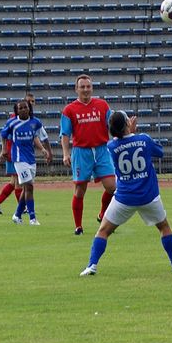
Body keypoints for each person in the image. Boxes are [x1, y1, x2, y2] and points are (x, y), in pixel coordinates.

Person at [80, 111, 172, 276]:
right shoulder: (143, 139)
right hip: (148, 196)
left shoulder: (111, 146)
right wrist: (134, 133)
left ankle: (91, 265)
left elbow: (122, 142)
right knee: (164, 227)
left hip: (124, 197)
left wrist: (128, 132)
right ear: (127, 124)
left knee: (103, 231)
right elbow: (160, 152)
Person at [60, 74, 116, 235]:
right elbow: (65, 134)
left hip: (101, 150)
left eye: (88, 86)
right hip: (81, 152)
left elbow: (112, 126)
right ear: (76, 89)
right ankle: (78, 226)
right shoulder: (69, 110)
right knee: (80, 190)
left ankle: (102, 214)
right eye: (82, 87)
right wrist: (65, 153)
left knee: (113, 188)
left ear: (92, 88)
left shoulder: (103, 105)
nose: (85, 89)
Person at [0, 94, 50, 214]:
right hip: (15, 153)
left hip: (22, 154)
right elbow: (5, 135)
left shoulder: (31, 119)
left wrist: (42, 148)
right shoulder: (15, 118)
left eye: (33, 101)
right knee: (18, 182)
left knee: (14, 182)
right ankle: (22, 209)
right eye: (29, 101)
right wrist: (4, 149)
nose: (32, 103)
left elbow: (35, 136)